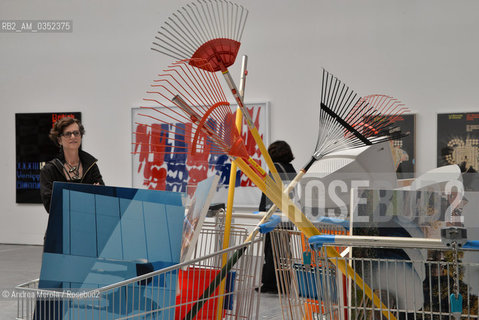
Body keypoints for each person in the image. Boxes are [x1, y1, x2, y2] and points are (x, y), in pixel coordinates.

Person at [40, 117, 104, 213]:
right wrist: (88, 196)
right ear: (59, 140)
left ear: (81, 136)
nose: (73, 137)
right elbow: (50, 205)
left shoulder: (91, 165)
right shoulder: (49, 170)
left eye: (76, 133)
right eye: (68, 134)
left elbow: (102, 198)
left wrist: (66, 197)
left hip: (89, 224)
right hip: (61, 225)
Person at [258, 140, 297, 293]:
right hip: (288, 215)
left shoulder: (276, 169)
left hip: (275, 216)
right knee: (283, 251)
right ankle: (282, 284)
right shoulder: (290, 169)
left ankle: (270, 285)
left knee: (271, 250)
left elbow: (269, 194)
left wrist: (263, 214)